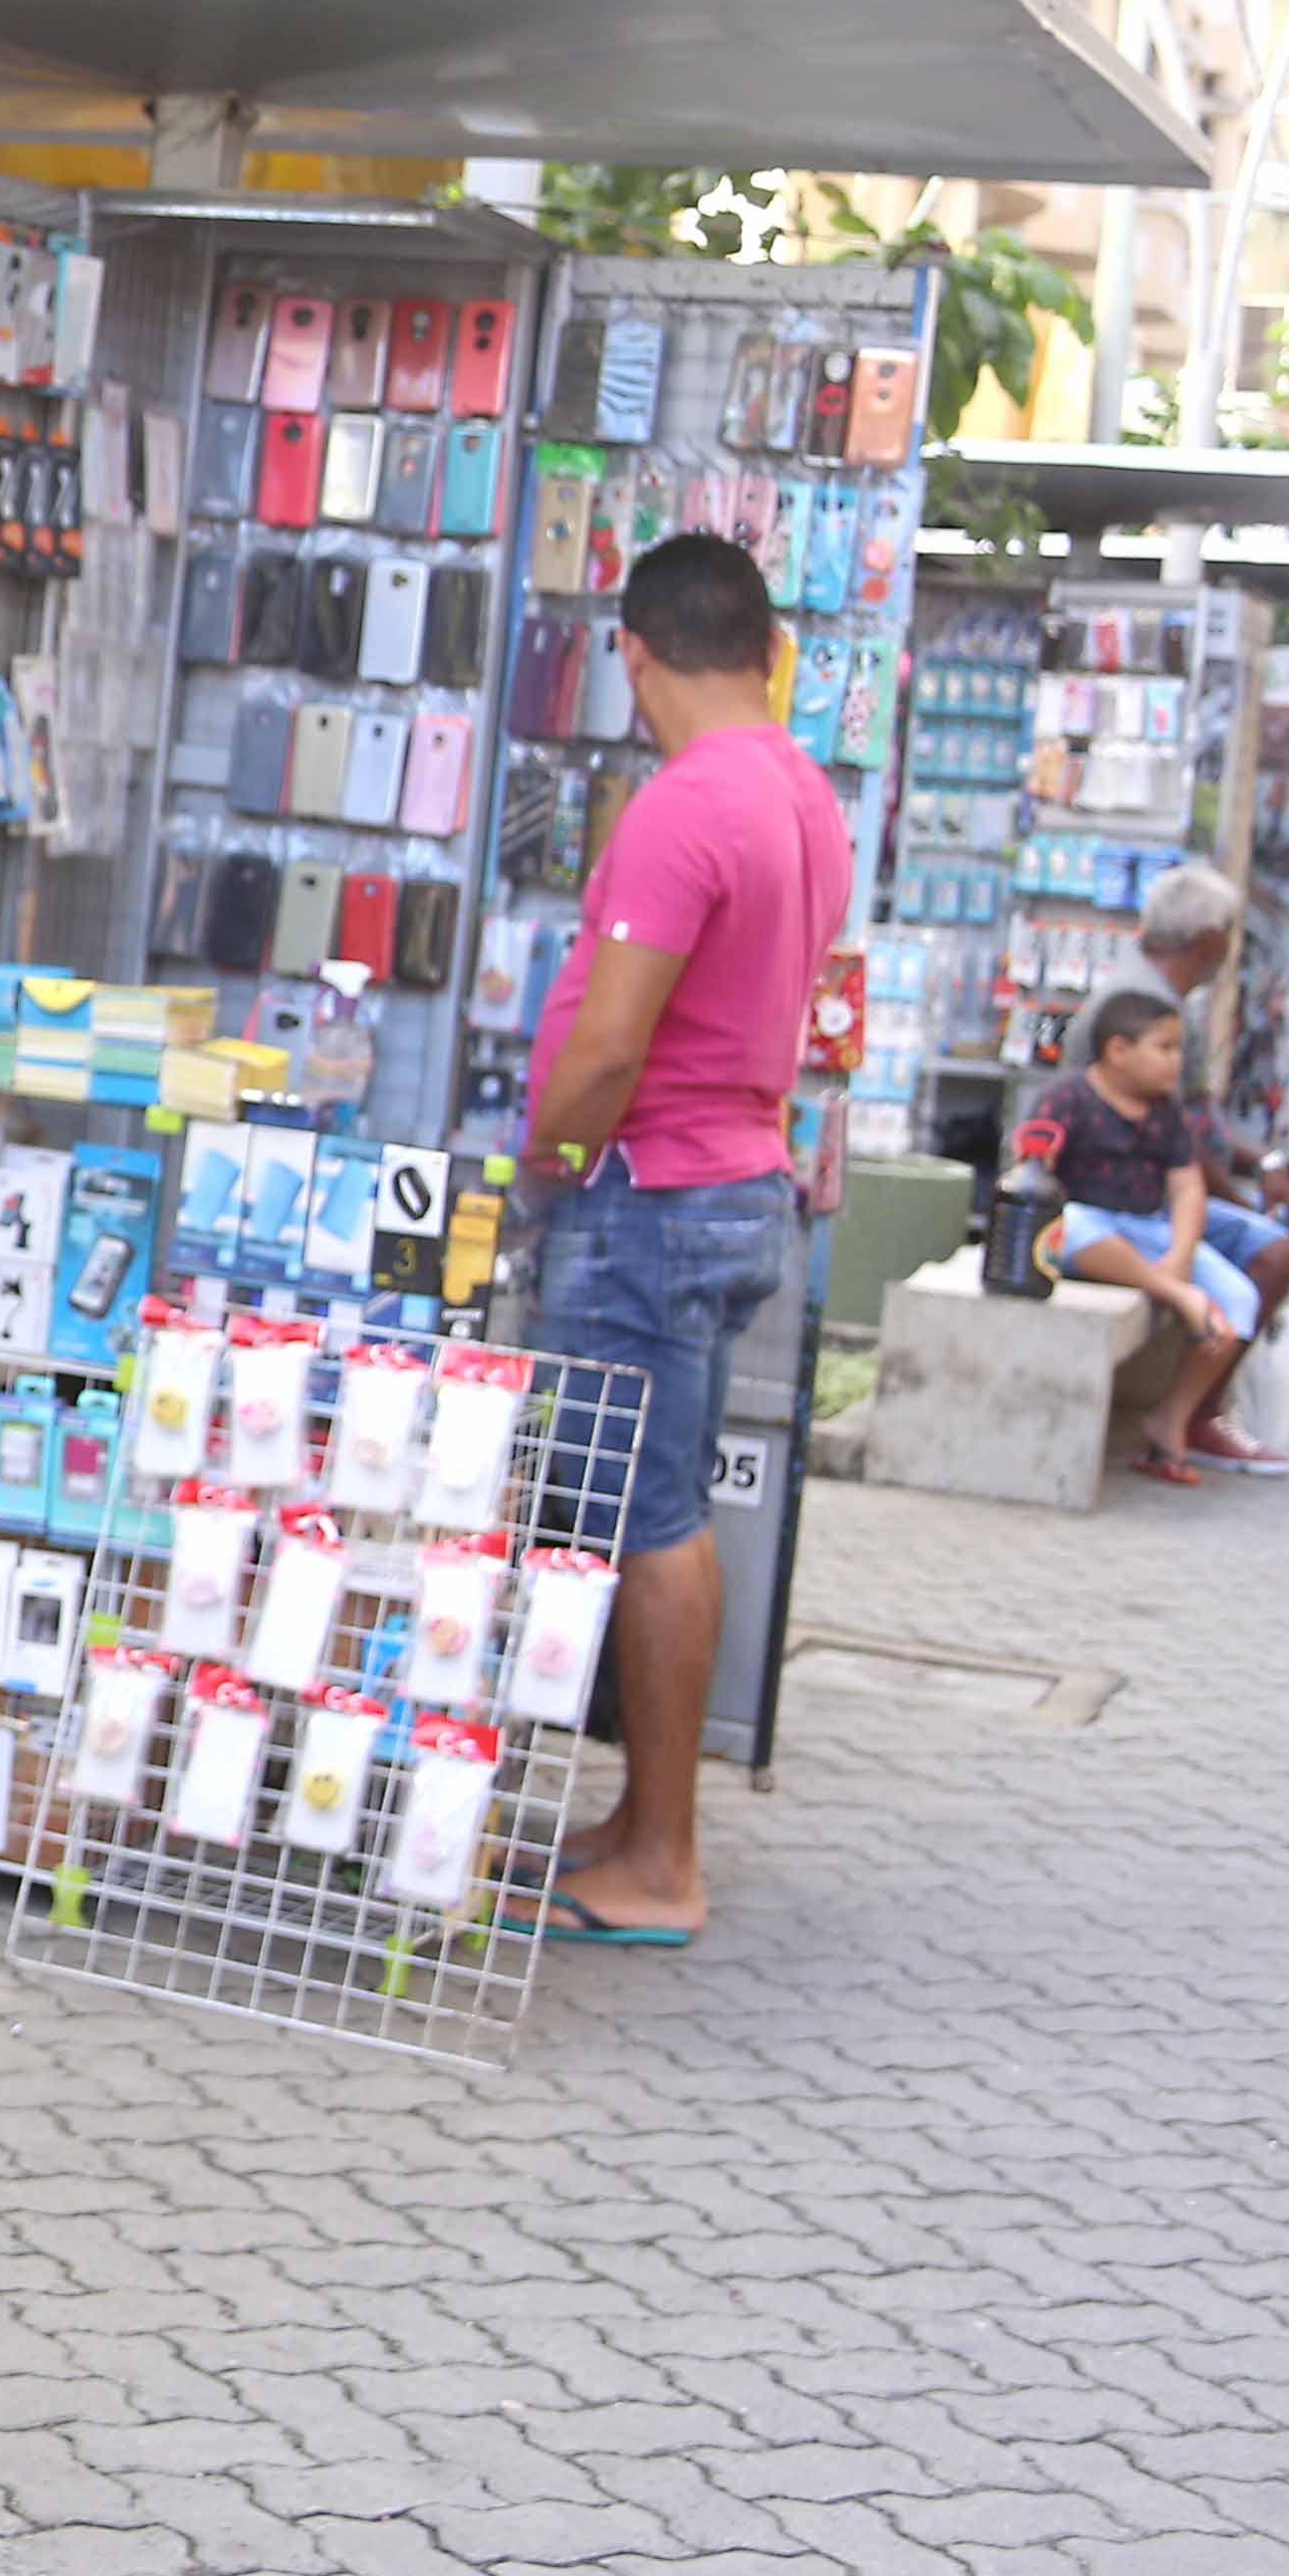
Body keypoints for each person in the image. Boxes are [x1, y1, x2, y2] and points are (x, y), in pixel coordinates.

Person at [514, 533, 844, 1949]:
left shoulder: (685, 805)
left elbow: (608, 1045)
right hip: (733, 1182)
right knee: (666, 1510)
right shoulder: (801, 790)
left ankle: (662, 1862)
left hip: (647, 1196)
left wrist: (542, 1166)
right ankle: (644, 1824)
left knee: (647, 1525)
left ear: (635, 653)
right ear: (764, 647)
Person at [1084, 861, 1289, 1472]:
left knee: (1276, 1239)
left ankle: (1200, 1409)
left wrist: (1266, 1162)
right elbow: (1180, 1146)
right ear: (1210, 940)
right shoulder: (1139, 1007)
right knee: (1277, 1249)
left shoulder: (1165, 999)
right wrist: (1237, 1199)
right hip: (1122, 1205)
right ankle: (1198, 1414)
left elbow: (1197, 1122)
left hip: (1159, 1198)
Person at [1031, 988, 1289, 1487]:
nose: (1177, 1061)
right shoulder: (1068, 1098)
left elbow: (1187, 1187)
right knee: (1075, 1223)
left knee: (1238, 1300)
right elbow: (1035, 1169)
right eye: (1165, 1047)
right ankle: (1174, 1294)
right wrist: (1172, 1285)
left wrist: (1181, 1253)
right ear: (1118, 1051)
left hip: (1148, 1231)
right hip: (1087, 1230)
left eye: (1179, 1047)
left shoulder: (1167, 1114)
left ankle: (1171, 1420)